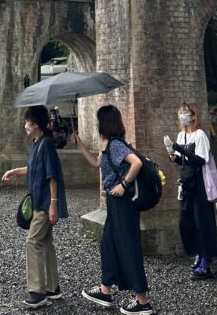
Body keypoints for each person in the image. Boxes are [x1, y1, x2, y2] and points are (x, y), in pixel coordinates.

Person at [74, 104, 154, 315]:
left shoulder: (117, 145)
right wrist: (80, 144)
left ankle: (142, 301)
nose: (97, 125)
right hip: (114, 203)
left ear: (105, 123)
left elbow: (136, 163)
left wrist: (124, 184)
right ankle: (104, 290)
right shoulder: (109, 145)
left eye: (99, 121)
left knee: (129, 248)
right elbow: (96, 163)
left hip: (123, 203)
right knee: (108, 244)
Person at [2, 105, 68, 309]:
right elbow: (34, 168)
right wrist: (16, 171)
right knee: (45, 242)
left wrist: (53, 205)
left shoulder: (46, 144)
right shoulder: (38, 143)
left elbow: (52, 176)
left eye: (27, 122)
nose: (25, 126)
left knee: (32, 241)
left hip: (44, 202)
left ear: (36, 124)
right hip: (40, 199)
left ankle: (37, 292)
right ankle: (52, 287)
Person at [169, 101, 217, 280]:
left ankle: (206, 262)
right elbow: (183, 161)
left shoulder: (200, 135)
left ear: (194, 116)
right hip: (187, 182)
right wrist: (174, 157)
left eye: (185, 112)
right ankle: (198, 252)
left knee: (203, 222)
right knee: (186, 222)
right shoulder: (181, 135)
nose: (182, 115)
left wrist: (179, 150)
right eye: (180, 112)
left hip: (200, 183)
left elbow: (201, 160)